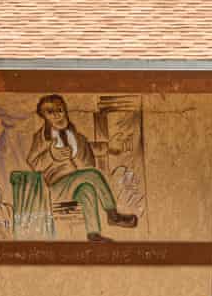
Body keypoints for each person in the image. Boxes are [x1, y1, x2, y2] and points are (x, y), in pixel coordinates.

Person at [27, 94, 137, 242]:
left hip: (77, 183)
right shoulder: (41, 139)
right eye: (50, 112)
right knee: (92, 174)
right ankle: (113, 215)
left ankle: (93, 234)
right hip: (57, 187)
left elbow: (90, 148)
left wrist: (109, 147)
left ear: (65, 110)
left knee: (87, 190)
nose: (57, 115)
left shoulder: (75, 136)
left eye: (59, 110)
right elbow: (33, 162)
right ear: (44, 116)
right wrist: (51, 155)